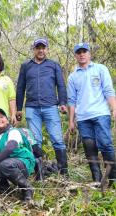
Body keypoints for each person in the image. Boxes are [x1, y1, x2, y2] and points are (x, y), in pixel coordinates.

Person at [16, 38, 68, 175]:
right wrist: (18, 108)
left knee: (57, 139)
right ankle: (39, 173)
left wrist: (63, 103)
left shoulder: (54, 65)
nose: (40, 50)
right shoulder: (26, 66)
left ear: (47, 49)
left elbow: (61, 85)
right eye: (38, 47)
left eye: (43, 47)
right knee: (35, 141)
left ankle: (64, 172)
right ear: (34, 49)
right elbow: (20, 87)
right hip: (32, 108)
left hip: (50, 106)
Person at [67, 43, 116, 185]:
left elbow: (108, 90)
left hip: (101, 113)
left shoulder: (100, 69)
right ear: (76, 55)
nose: (82, 54)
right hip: (83, 118)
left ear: (89, 53)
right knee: (89, 147)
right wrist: (71, 120)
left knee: (106, 144)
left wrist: (114, 108)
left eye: (84, 51)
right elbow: (71, 100)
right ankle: (97, 179)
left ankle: (113, 178)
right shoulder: (73, 77)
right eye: (79, 52)